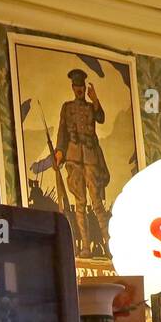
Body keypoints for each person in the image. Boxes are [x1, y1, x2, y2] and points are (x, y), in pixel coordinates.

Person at [54, 68, 111, 256]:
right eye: (76, 86)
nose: (79, 89)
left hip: (91, 157)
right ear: (73, 87)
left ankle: (110, 245)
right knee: (80, 203)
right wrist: (60, 152)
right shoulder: (67, 107)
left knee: (97, 203)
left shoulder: (90, 107)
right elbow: (62, 131)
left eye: (82, 86)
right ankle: (85, 246)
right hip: (73, 158)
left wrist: (95, 99)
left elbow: (101, 118)